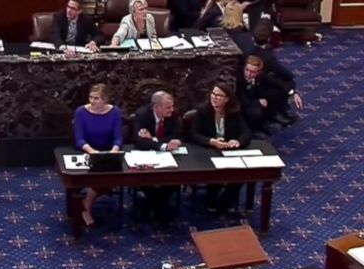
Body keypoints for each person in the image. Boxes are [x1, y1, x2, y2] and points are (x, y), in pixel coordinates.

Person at [190, 82, 251, 213]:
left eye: (218, 95)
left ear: (227, 99)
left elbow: (246, 133)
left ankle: (226, 201)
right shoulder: (203, 111)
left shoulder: (234, 113)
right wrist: (211, 141)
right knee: (214, 173)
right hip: (208, 151)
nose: (214, 97)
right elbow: (193, 134)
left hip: (228, 151)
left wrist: (237, 142)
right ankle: (211, 201)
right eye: (213, 94)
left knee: (241, 174)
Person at [73, 83, 123, 226]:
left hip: (109, 152)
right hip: (88, 151)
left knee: (112, 174)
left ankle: (85, 203)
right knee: (98, 173)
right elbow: (79, 139)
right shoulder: (81, 112)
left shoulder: (115, 112)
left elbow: (118, 138)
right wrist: (93, 152)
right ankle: (86, 207)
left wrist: (113, 151)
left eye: (96, 98)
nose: (92, 101)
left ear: (105, 99)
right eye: (91, 97)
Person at [133, 90, 182, 222]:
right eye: (168, 107)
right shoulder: (142, 114)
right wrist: (163, 145)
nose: (172, 110)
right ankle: (157, 207)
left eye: (172, 106)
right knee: (144, 177)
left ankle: (155, 205)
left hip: (169, 158)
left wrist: (152, 139)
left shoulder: (174, 114)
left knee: (175, 177)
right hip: (145, 156)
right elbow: (138, 141)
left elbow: (177, 136)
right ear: (157, 107)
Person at [251, 19, 304, 114]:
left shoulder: (248, 50)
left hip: (256, 81)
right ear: (268, 39)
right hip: (260, 87)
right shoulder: (268, 57)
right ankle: (279, 111)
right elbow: (287, 74)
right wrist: (292, 91)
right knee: (288, 82)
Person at [238, 55, 292, 135]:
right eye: (247, 70)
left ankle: (273, 115)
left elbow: (277, 83)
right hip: (243, 104)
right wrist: (258, 102)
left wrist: (292, 93)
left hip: (254, 95)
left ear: (258, 72)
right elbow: (243, 101)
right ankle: (256, 127)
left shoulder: (260, 75)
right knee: (255, 112)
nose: (248, 74)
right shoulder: (238, 79)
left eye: (252, 72)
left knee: (276, 92)